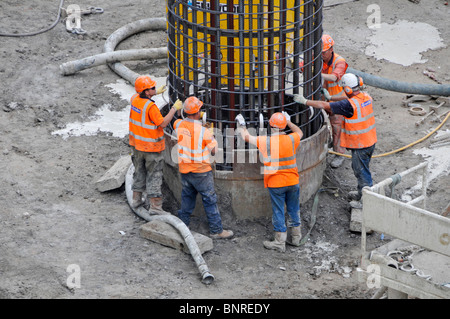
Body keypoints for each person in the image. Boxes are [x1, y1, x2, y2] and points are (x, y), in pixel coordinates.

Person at [294, 73, 377, 209]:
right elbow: (347, 97)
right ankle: (361, 193)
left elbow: (323, 105)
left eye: (344, 89)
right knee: (363, 169)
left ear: (348, 89)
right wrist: (331, 97)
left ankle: (365, 202)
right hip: (370, 140)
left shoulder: (349, 105)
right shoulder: (366, 96)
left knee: (361, 171)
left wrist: (305, 101)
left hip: (360, 144)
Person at [236, 112, 303, 252]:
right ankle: (296, 237)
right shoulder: (292, 139)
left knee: (278, 211)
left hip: (276, 183)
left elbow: (246, 137)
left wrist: (242, 124)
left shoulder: (265, 141)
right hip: (292, 181)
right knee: (293, 208)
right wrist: (289, 121)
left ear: (270, 126)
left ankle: (279, 242)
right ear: (284, 126)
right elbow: (299, 132)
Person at [174, 96, 233, 239]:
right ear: (198, 112)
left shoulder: (178, 125)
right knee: (209, 200)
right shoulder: (204, 131)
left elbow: (177, 120)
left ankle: (183, 225)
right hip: (201, 171)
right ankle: (216, 230)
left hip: (185, 170)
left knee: (187, 198)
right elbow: (214, 151)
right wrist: (211, 136)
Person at [129, 75, 182, 213]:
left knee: (139, 171)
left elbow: (141, 101)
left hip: (137, 146)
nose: (154, 88)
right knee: (154, 176)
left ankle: (136, 199)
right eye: (152, 88)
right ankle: (156, 207)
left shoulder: (135, 99)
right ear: (146, 92)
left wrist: (156, 92)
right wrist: (174, 109)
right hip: (151, 148)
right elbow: (163, 123)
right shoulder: (151, 107)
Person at [321, 34, 349, 169]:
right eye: (319, 52)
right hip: (322, 100)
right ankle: (328, 142)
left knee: (337, 127)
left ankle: (340, 154)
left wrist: (316, 74)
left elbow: (333, 77)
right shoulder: (317, 58)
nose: (321, 55)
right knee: (320, 122)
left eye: (324, 52)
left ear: (331, 49)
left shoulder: (339, 62)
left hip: (337, 100)